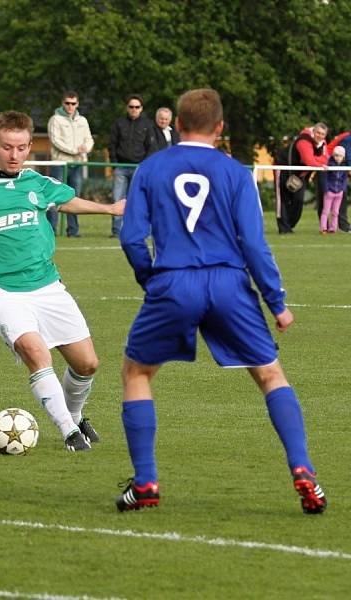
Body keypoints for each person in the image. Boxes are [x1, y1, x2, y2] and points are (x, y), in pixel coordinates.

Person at [118, 88, 326, 515]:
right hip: (229, 282)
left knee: (137, 372)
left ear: (177, 124)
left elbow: (132, 236)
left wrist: (151, 279)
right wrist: (276, 302)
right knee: (270, 374)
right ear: (220, 128)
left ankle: (145, 483)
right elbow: (253, 242)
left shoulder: (151, 168)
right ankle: (303, 470)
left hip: (173, 282)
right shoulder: (235, 172)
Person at [0, 110, 124, 452]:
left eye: (23, 148)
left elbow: (65, 200)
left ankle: (74, 416)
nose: (15, 156)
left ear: (30, 147)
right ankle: (69, 433)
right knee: (35, 351)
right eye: (8, 147)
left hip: (48, 286)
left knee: (87, 363)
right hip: (2, 292)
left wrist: (110, 210)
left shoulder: (36, 182)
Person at [46, 91, 94, 238]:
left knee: (74, 198)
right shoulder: (55, 119)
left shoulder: (83, 120)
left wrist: (87, 148)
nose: (70, 106)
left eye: (73, 103)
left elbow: (89, 139)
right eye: (67, 103)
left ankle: (73, 231)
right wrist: (74, 151)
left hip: (77, 164)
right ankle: (51, 230)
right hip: (60, 163)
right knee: (55, 197)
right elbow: (55, 140)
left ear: (77, 104)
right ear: (62, 103)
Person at [108, 94, 157, 237]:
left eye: (137, 107)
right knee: (117, 199)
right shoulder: (119, 123)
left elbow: (151, 147)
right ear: (127, 108)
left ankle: (138, 231)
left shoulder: (148, 125)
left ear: (141, 109)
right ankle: (117, 231)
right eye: (131, 107)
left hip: (138, 169)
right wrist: (115, 165)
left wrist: (144, 168)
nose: (134, 109)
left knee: (139, 201)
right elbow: (112, 145)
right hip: (121, 168)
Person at [274, 123, 328, 234]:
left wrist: (315, 161)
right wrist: (317, 162)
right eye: (318, 133)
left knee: (298, 200)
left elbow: (325, 159)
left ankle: (289, 224)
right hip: (283, 168)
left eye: (323, 134)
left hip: (300, 175)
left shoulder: (322, 144)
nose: (320, 136)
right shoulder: (304, 141)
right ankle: (284, 228)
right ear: (313, 132)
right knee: (283, 199)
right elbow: (308, 160)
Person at [320, 145, 347, 233]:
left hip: (339, 192)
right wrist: (327, 189)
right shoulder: (329, 165)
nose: (338, 158)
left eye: (340, 156)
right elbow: (325, 178)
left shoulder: (344, 167)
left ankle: (333, 228)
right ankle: (323, 228)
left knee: (335, 212)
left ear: (343, 156)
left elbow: (344, 179)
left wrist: (342, 189)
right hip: (330, 192)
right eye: (336, 155)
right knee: (326, 211)